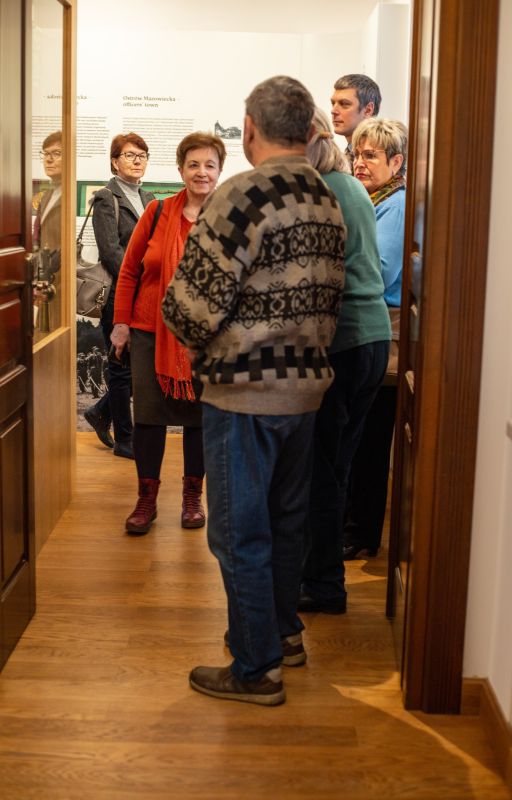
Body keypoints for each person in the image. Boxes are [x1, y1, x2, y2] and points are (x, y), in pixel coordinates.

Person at [161, 76, 346, 707]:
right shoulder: (324, 195)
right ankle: (283, 634)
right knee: (287, 521)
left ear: (249, 129)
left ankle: (256, 667)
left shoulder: (243, 193)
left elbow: (190, 305)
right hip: (306, 390)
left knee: (238, 532)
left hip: (245, 391)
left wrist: (195, 344)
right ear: (309, 129)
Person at [297, 109, 391, 615]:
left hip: (342, 341)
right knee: (335, 466)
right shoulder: (348, 185)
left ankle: (324, 585)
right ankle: (322, 577)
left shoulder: (321, 190)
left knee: (321, 470)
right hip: (369, 339)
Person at [110, 132, 227, 534]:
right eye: (193, 164)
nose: (201, 172)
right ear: (180, 169)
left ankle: (193, 498)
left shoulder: (229, 219)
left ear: (220, 171)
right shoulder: (157, 211)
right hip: (150, 331)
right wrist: (121, 324)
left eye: (209, 165)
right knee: (148, 418)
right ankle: (146, 500)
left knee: (199, 418)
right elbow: (129, 271)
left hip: (206, 338)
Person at [343, 118, 408, 560]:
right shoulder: (373, 200)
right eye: (357, 154)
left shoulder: (394, 206)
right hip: (368, 326)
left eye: (371, 155)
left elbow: (379, 272)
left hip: (382, 329)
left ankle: (361, 532)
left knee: (369, 438)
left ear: (396, 162)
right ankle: (353, 526)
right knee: (359, 433)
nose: (360, 163)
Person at [84, 133, 155, 457]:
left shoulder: (150, 198)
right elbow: (111, 252)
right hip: (118, 294)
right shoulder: (106, 198)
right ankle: (126, 439)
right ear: (115, 162)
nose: (137, 160)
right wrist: (142, 278)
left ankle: (101, 411)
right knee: (120, 366)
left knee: (140, 365)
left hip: (146, 295)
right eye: (129, 155)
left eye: (142, 155)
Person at [33, 131, 63, 334]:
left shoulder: (68, 195)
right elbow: (38, 237)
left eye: (57, 153)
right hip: (44, 281)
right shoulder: (47, 196)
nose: (49, 159)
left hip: (60, 281)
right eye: (46, 153)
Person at [330, 74, 381, 170]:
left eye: (344, 104)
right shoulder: (346, 154)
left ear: (368, 110)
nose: (333, 111)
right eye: (333, 103)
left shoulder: (382, 158)